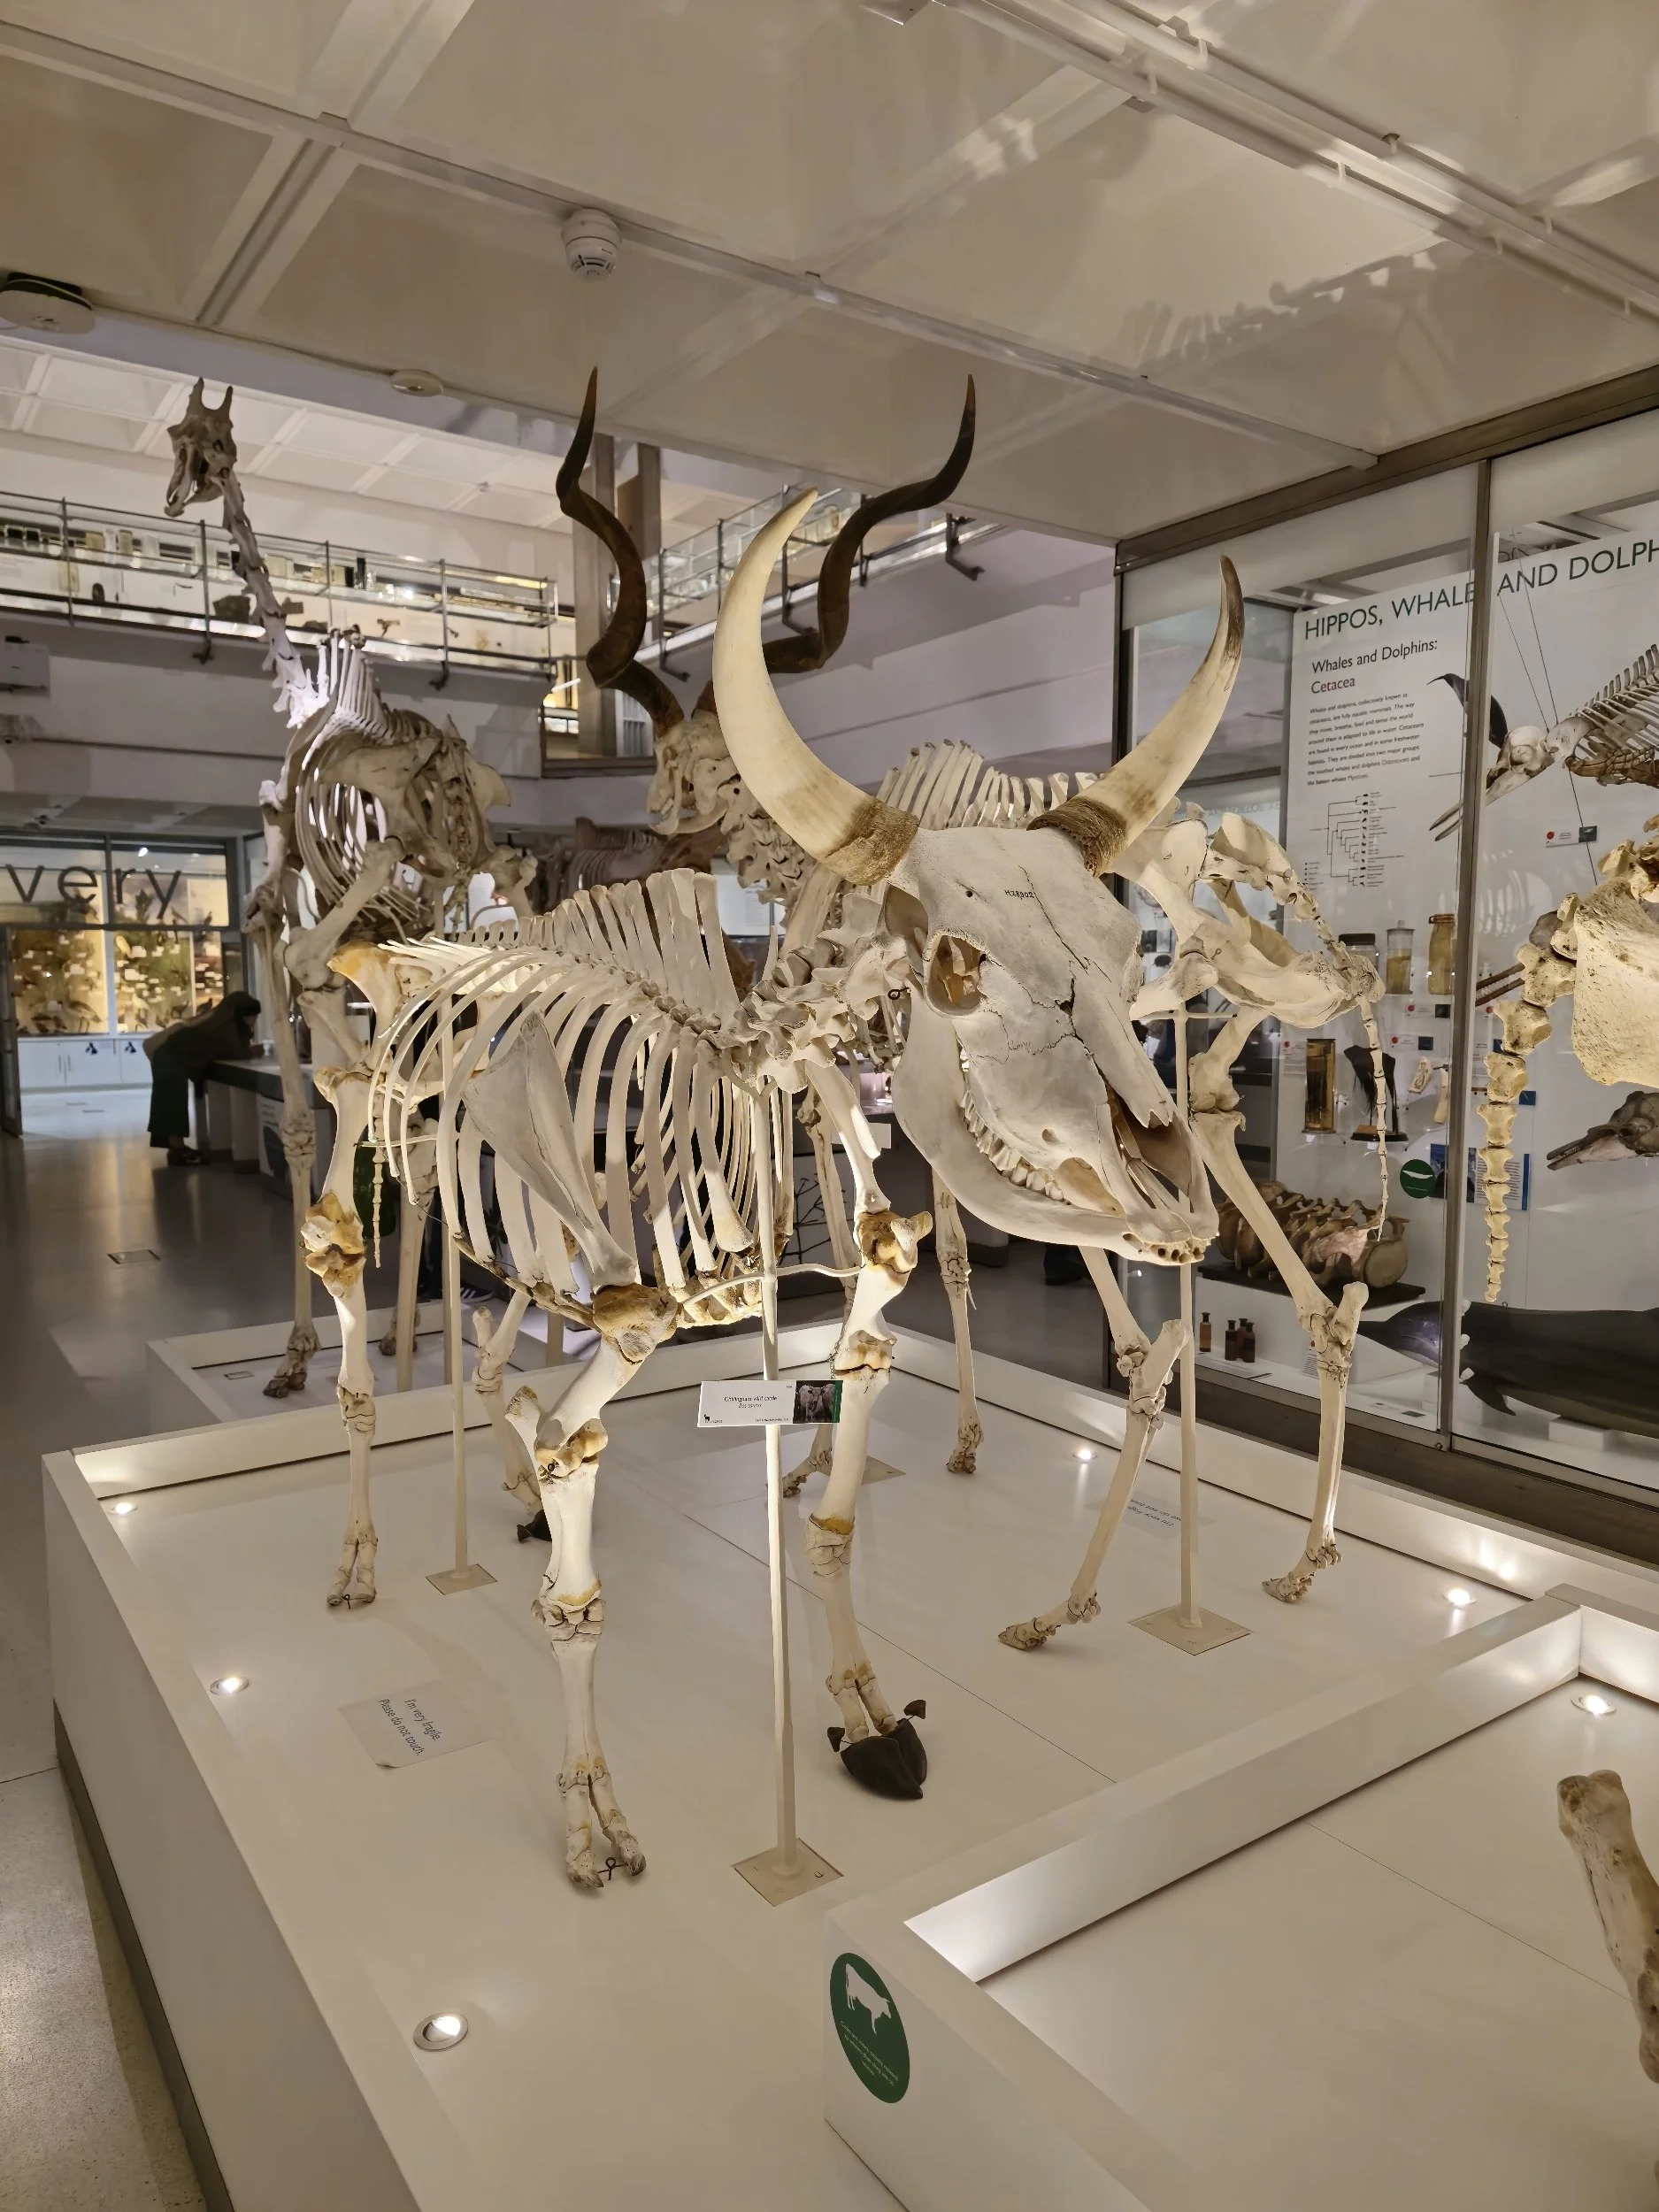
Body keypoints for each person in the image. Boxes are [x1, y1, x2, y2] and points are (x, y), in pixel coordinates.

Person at [146, 990, 260, 1164]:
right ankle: (177, 1151)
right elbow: (235, 1052)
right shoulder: (226, 1027)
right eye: (253, 1016)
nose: (255, 1019)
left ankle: (176, 1148)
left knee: (168, 1103)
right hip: (172, 1059)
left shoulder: (217, 1020)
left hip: (166, 1055)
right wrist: (253, 1052)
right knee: (172, 1103)